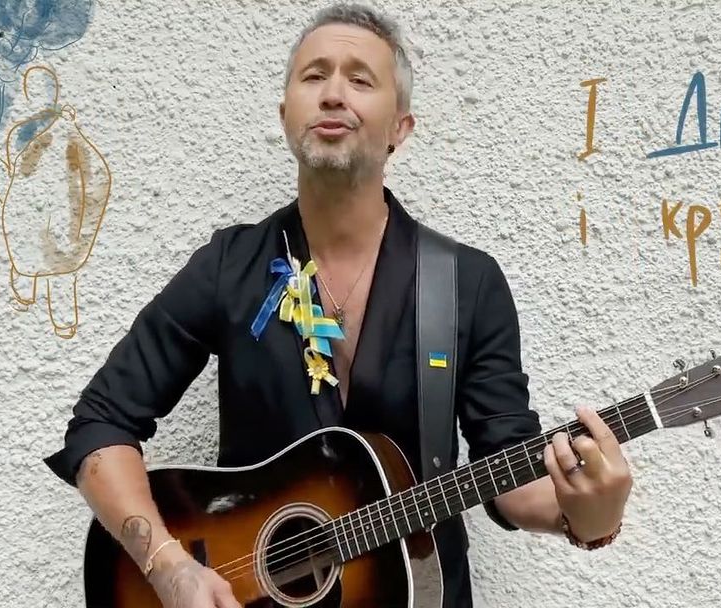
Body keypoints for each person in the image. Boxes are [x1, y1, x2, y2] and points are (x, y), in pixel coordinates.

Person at [43, 4, 633, 607]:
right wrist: (169, 567)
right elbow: (100, 424)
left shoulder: (466, 283)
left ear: (400, 127)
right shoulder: (230, 266)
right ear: (285, 116)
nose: (332, 93)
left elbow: (509, 472)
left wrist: (589, 515)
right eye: (314, 75)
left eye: (360, 79)